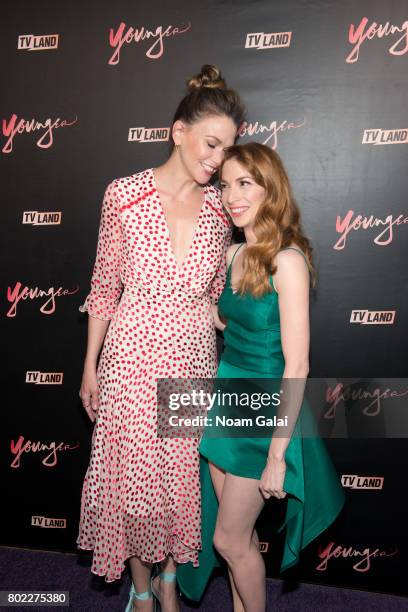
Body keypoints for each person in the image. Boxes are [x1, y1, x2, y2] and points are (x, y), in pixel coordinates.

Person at [76, 65, 245, 612]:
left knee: (176, 481)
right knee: (131, 481)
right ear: (179, 132)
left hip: (193, 355)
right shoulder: (123, 196)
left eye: (227, 149)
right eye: (212, 143)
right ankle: (142, 589)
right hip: (129, 354)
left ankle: (170, 581)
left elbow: (223, 293)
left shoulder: (226, 208)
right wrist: (89, 366)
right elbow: (104, 285)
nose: (218, 159)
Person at [178, 143, 345, 611]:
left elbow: (297, 366)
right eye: (226, 184)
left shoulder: (287, 261)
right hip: (226, 403)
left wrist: (278, 454)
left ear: (270, 189)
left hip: (263, 416)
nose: (232, 195)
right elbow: (232, 318)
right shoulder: (233, 252)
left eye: (245, 183)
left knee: (229, 541)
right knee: (237, 541)